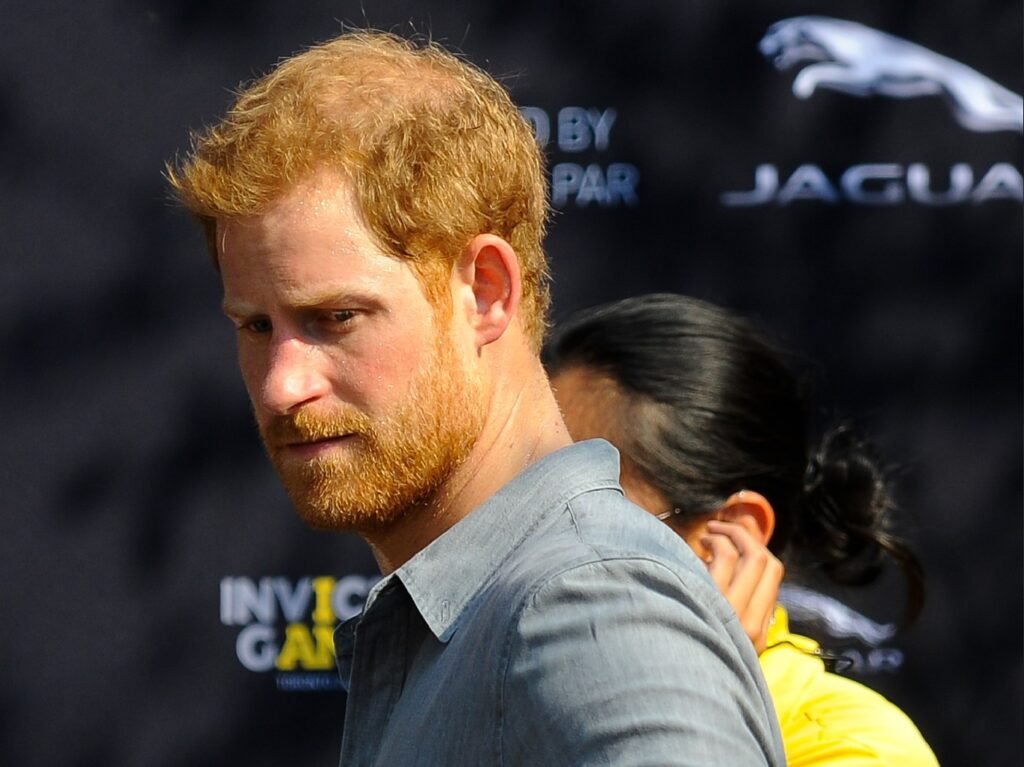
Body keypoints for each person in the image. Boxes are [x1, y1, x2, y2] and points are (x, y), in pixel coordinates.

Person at [168, 32, 784, 766]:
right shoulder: (501, 605)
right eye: (255, 325)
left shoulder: (585, 602)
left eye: (336, 318)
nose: (281, 384)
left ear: (486, 293)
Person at [545, 292, 939, 766]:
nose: (528, 544)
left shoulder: (856, 745)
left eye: (579, 512)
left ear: (729, 540)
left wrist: (693, 687)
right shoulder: (511, 690)